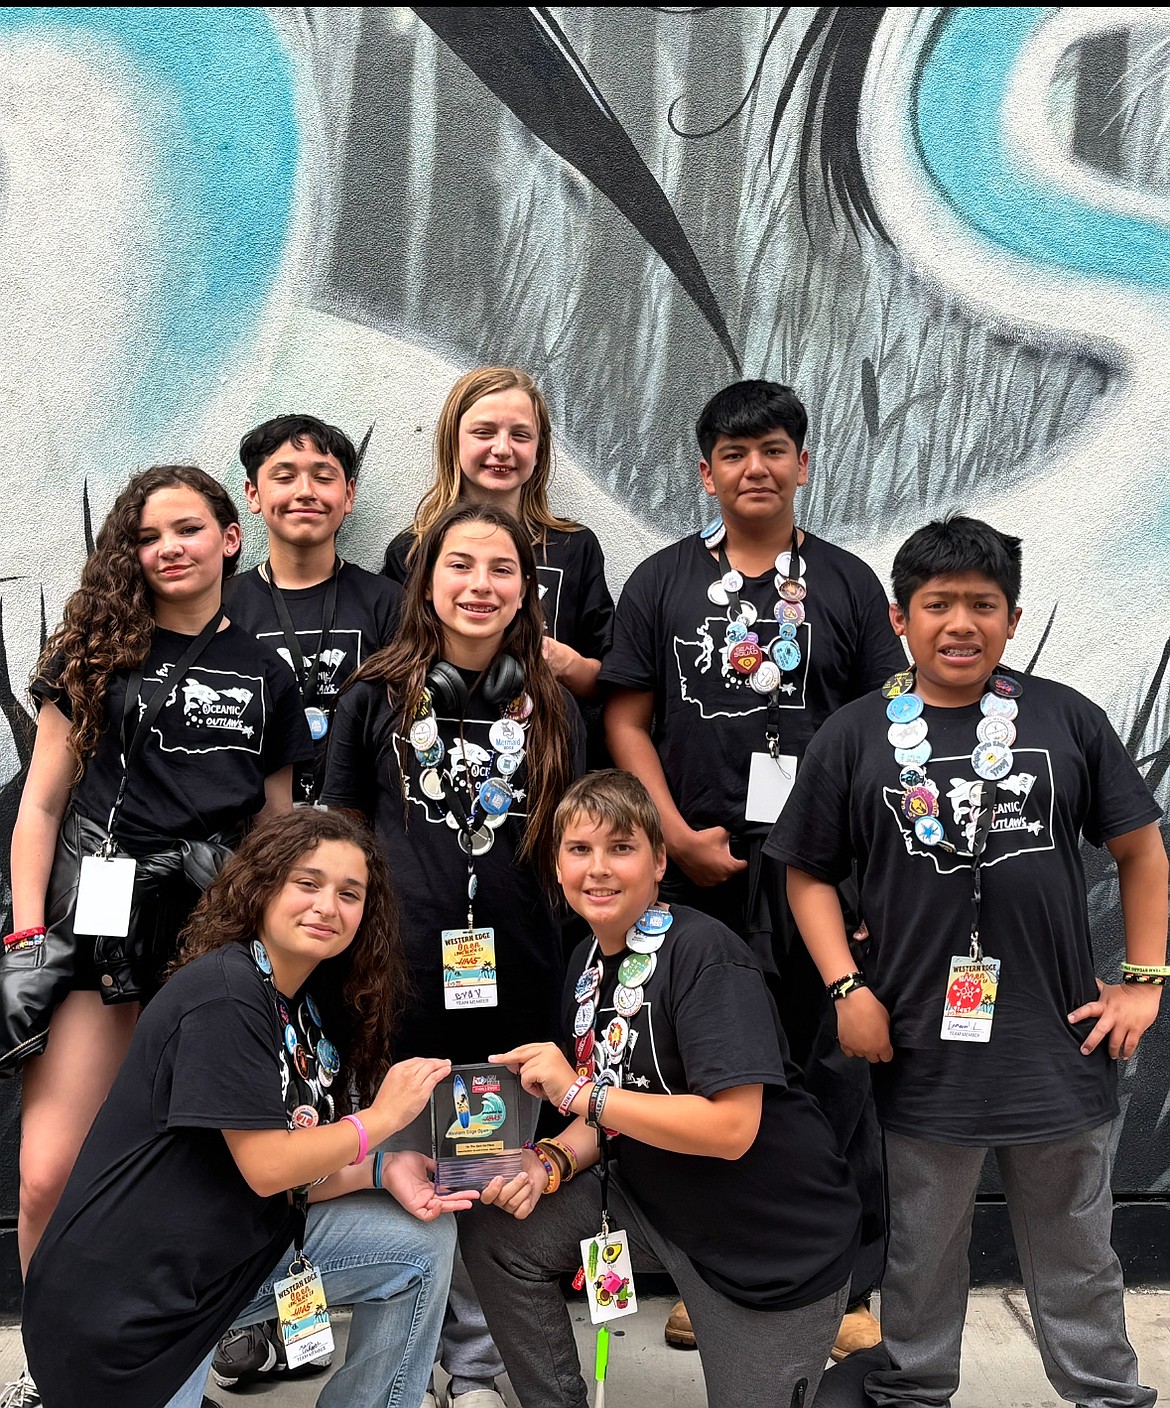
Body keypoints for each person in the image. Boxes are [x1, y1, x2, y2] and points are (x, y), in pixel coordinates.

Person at [769, 515, 1167, 1408]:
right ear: (899, 617)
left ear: (1012, 619)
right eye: (937, 603)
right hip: (919, 1048)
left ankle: (1107, 1394)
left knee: (1078, 1252)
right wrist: (846, 987)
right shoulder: (855, 734)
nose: (961, 623)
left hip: (1056, 1046)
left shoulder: (1066, 719)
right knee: (922, 1247)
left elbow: (1143, 852)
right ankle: (914, 1390)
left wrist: (1143, 982)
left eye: (982, 604)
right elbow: (806, 873)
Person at [600, 379, 906, 1352]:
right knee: (721, 1078)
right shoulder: (660, 582)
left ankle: (851, 1292)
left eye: (773, 449)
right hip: (700, 867)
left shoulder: (851, 584)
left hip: (824, 872)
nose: (755, 467)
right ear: (706, 473)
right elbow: (625, 718)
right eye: (734, 454)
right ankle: (721, 1280)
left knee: (835, 1075)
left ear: (803, 462)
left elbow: (883, 733)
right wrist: (674, 834)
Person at [0, 465, 313, 1408]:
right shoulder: (92, 656)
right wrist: (23, 934)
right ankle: (51, 1368)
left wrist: (274, 962)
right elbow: (42, 802)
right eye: (147, 535)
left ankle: (174, 1356)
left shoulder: (267, 672)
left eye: (188, 528)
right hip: (97, 930)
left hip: (211, 940)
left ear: (230, 537)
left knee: (202, 1170)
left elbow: (276, 835)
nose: (168, 548)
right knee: (51, 1167)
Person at [21, 807, 474, 1408]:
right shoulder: (225, 994)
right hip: (127, 1316)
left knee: (420, 1241)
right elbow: (267, 1166)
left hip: (215, 1275)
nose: (327, 906)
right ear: (262, 887)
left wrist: (380, 1169)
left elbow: (284, 1174)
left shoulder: (303, 1004)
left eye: (349, 893)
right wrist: (382, 1123)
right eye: (307, 883)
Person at [460, 769, 861, 1408]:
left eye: (621, 848)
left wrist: (577, 1093)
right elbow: (613, 1105)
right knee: (498, 1224)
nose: (599, 869)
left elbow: (731, 1131)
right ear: (557, 867)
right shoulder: (586, 960)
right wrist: (550, 1160)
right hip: (653, 1203)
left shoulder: (706, 954)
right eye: (579, 850)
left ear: (659, 861)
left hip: (764, 1241)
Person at [324, 501, 584, 1408]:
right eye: (460, 567)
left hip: (518, 970)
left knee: (487, 1165)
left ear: (525, 591)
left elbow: (568, 847)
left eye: (501, 570)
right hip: (400, 974)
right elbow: (340, 841)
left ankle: (472, 1369)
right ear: (426, 582)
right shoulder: (371, 698)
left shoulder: (550, 706)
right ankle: (399, 1359)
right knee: (405, 1171)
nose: (480, 586)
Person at [383, 366, 614, 707]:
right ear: (453, 440)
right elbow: (391, 669)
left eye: (520, 436)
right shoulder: (412, 551)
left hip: (549, 750)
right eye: (484, 432)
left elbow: (610, 683)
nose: (503, 449)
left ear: (539, 451)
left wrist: (567, 664)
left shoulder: (574, 547)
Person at [226, 413, 402, 805]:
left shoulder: (389, 602)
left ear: (349, 494)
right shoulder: (221, 605)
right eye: (284, 477)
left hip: (360, 820)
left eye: (323, 477)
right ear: (253, 494)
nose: (305, 491)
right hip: (251, 829)